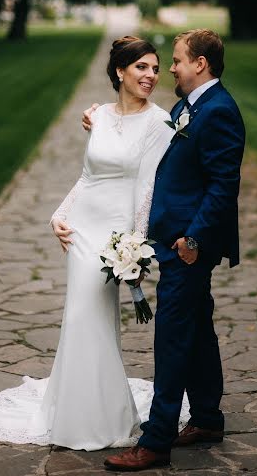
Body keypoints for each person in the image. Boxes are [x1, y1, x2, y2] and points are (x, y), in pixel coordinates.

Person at [0, 36, 190, 450]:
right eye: (142, 68)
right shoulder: (96, 116)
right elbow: (87, 177)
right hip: (82, 229)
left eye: (155, 68)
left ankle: (100, 416)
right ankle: (75, 411)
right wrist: (59, 215)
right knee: (79, 317)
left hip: (116, 237)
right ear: (120, 71)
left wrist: (133, 247)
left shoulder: (158, 124)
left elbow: (148, 188)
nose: (151, 75)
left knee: (92, 318)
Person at [83, 29, 245, 471]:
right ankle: (208, 418)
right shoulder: (187, 107)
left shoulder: (219, 112)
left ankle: (155, 442)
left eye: (175, 60)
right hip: (175, 242)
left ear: (200, 64)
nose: (168, 68)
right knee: (197, 329)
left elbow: (223, 185)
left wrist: (193, 239)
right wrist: (99, 123)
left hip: (189, 246)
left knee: (172, 338)